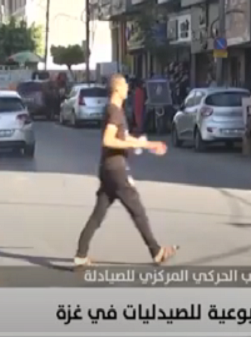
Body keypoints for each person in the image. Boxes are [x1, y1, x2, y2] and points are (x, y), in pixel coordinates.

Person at [74, 74, 178, 266]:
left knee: (98, 214)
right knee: (137, 211)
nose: (127, 88)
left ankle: (81, 255)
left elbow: (124, 137)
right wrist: (131, 145)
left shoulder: (116, 111)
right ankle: (156, 252)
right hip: (116, 169)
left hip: (108, 168)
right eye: (124, 85)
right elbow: (108, 140)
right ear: (116, 89)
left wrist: (149, 144)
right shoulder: (114, 111)